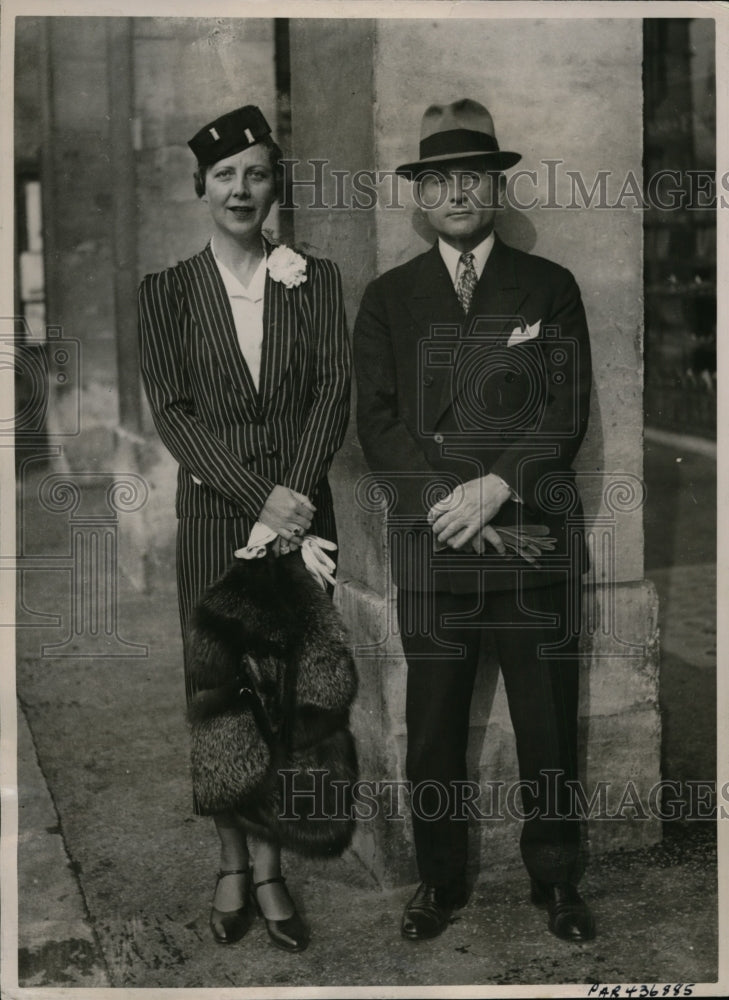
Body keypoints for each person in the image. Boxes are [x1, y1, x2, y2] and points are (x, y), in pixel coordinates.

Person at [353, 99, 595, 942]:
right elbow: (376, 421)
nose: (456, 193)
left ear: (493, 186)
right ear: (419, 198)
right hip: (435, 549)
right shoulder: (388, 298)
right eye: (438, 180)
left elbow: (564, 409)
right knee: (431, 733)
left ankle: (558, 881)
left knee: (548, 725)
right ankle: (439, 882)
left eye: (472, 176)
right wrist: (440, 505)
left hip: (529, 540)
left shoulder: (548, 287)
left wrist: (494, 487)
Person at [138, 105, 351, 951]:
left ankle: (270, 872)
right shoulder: (165, 292)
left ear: (274, 187)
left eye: (256, 173)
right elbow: (174, 416)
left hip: (302, 525)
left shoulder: (317, 280)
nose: (241, 188)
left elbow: (332, 390)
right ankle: (230, 864)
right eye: (224, 175)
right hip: (215, 527)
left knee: (286, 698)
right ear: (202, 188)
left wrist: (292, 500)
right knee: (220, 699)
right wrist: (260, 498)